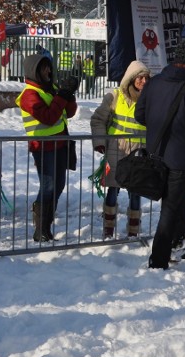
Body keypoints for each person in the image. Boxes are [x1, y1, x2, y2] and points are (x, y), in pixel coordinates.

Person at [135, 40, 185, 269]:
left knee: (177, 201)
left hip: (155, 153)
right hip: (181, 158)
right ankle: (159, 258)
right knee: (170, 208)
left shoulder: (154, 84)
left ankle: (177, 242)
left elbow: (139, 116)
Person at [16, 53, 79, 242]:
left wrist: (69, 94)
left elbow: (69, 112)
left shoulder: (50, 89)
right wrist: (62, 95)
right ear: (34, 70)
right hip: (43, 147)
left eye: (48, 67)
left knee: (58, 185)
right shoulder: (29, 95)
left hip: (60, 145)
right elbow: (49, 118)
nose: (48, 71)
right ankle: (40, 228)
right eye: (44, 68)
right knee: (49, 186)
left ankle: (46, 225)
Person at [89, 60, 151, 238]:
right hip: (117, 150)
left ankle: (133, 231)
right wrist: (100, 142)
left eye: (146, 78)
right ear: (131, 78)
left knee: (136, 192)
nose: (143, 81)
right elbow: (98, 120)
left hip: (139, 152)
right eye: (140, 78)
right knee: (112, 190)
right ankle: (108, 229)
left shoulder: (150, 99)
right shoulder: (115, 97)